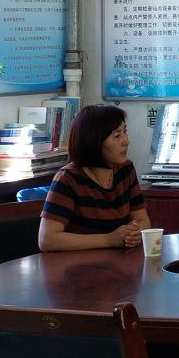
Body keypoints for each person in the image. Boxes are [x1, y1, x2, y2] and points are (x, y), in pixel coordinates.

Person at [38, 104, 152, 251]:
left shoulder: (126, 170)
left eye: (125, 132)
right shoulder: (68, 178)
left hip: (118, 260)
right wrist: (109, 239)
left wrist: (134, 233)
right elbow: (47, 239)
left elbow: (143, 220)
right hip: (78, 263)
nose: (126, 141)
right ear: (94, 141)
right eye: (116, 135)